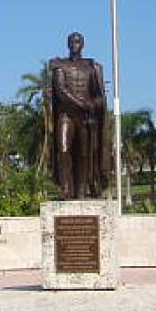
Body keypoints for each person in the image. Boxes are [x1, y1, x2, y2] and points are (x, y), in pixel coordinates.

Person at [49, 32, 108, 198]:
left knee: (84, 154)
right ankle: (67, 189)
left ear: (82, 44)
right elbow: (61, 91)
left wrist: (93, 104)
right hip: (66, 115)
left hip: (86, 118)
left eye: (77, 42)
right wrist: (81, 103)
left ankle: (82, 190)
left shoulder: (92, 67)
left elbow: (99, 95)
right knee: (63, 149)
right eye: (72, 42)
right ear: (68, 45)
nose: (75, 44)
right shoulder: (59, 66)